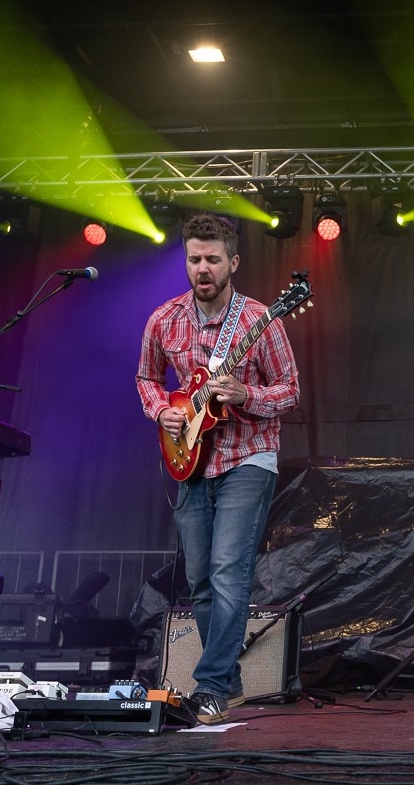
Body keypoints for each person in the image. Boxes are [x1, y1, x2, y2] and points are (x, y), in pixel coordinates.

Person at [137, 213, 300, 724]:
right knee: (200, 580)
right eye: (194, 259)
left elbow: (290, 390)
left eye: (212, 259)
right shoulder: (164, 319)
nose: (202, 268)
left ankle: (208, 686)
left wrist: (246, 394)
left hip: (248, 456)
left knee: (229, 572)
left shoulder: (260, 319)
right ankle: (228, 685)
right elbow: (146, 378)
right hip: (190, 460)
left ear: (233, 262)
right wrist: (161, 410)